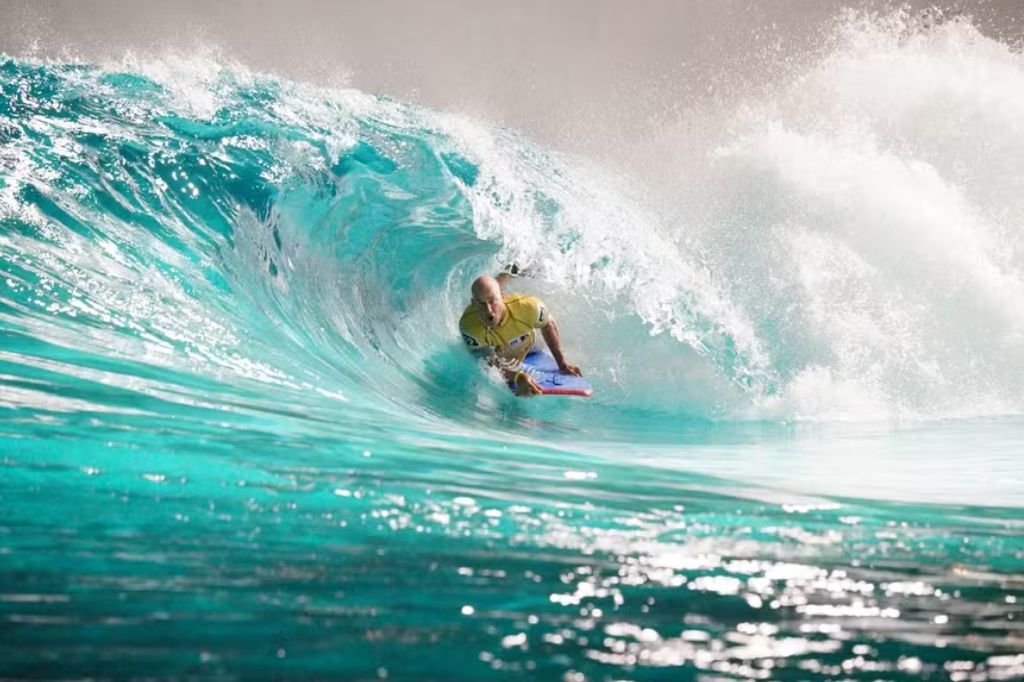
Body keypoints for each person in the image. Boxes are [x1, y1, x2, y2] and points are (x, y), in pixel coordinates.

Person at [459, 273, 582, 396]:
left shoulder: (527, 307)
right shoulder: (470, 328)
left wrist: (562, 363)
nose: (488, 310)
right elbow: (487, 363)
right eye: (481, 303)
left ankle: (509, 272)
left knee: (542, 327)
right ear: (473, 303)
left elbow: (548, 324)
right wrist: (517, 376)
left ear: (502, 296)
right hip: (502, 353)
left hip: (530, 340)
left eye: (492, 301)